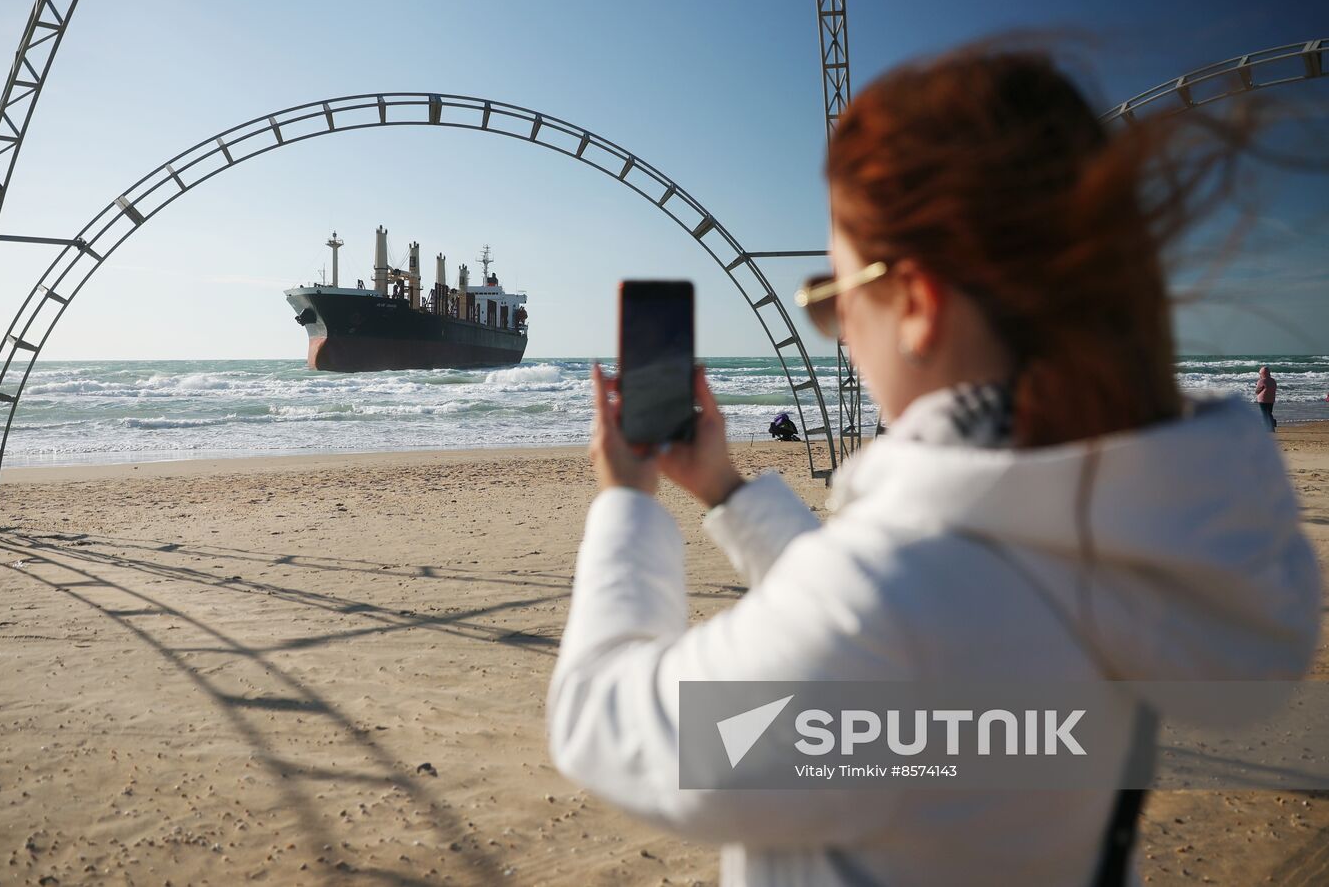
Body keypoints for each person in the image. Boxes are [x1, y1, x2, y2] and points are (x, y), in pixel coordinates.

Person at [547, 45, 1321, 886]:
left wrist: (627, 501)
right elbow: (897, 657)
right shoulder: (1114, 534)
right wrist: (727, 493)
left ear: (915, 303)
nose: (839, 329)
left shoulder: (897, 612)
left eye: (836, 296)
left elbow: (609, 722)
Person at [1256, 365, 1278, 432]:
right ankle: (1272, 427)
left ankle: (1267, 428)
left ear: (1262, 373)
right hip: (1271, 399)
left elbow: (1257, 391)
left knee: (1264, 414)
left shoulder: (1261, 381)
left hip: (1263, 400)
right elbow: (1274, 388)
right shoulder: (1273, 380)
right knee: (1269, 413)